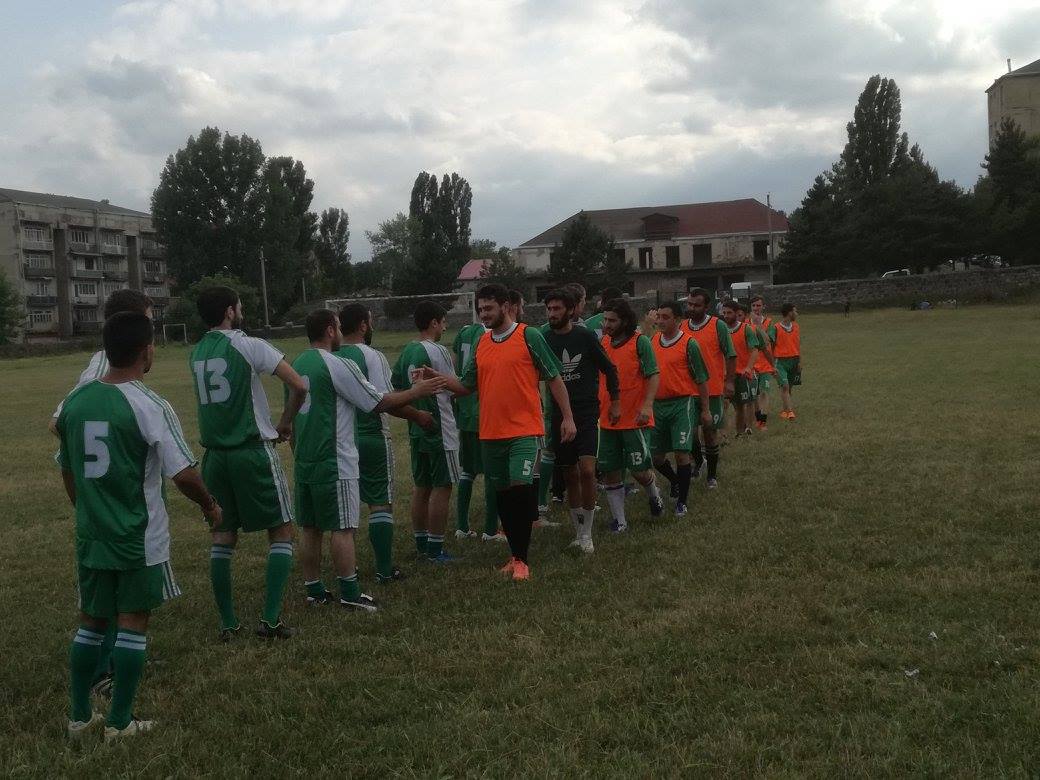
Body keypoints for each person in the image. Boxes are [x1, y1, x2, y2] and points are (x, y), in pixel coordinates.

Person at [58, 312, 221, 741]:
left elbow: (67, 468)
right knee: (133, 621)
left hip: (92, 534)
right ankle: (119, 722)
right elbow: (184, 474)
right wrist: (209, 504)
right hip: (137, 535)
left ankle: (79, 717)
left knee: (90, 621)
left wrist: (86, 509)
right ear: (147, 351)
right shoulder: (149, 404)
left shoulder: (76, 401)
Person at [292, 310, 445, 611]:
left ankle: (314, 590)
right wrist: (417, 392)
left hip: (306, 457)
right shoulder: (338, 363)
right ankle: (351, 593)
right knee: (344, 527)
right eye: (336, 326)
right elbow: (378, 401)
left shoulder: (298, 363)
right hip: (336, 457)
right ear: (330, 331)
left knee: (310, 526)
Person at [49, 288, 154, 700]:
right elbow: (60, 420)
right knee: (115, 590)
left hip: (110, 497)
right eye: (149, 318)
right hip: (112, 499)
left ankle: (115, 660)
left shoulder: (113, 365)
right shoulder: (102, 368)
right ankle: (104, 670)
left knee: (115, 590)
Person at [189, 286, 308, 640]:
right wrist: (285, 422)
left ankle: (228, 624)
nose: (240, 310)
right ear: (229, 311)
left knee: (222, 537)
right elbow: (299, 386)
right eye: (238, 306)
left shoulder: (196, 351)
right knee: (281, 530)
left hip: (214, 457)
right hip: (251, 451)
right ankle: (270, 620)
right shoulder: (249, 344)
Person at [434, 283, 576, 581]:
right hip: (490, 433)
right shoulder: (482, 342)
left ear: (505, 307)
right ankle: (514, 555)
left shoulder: (528, 335)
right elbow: (467, 385)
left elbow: (553, 377)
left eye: (488, 308)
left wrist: (567, 417)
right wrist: (439, 380)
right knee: (502, 495)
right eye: (480, 309)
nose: (483, 314)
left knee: (520, 488)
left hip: (524, 430)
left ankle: (522, 561)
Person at [336, 303, 435, 582]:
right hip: (372, 437)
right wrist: (418, 413)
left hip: (341, 440)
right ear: (363, 326)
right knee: (380, 503)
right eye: (370, 321)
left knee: (346, 509)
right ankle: (384, 568)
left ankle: (348, 568)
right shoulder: (372, 355)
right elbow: (386, 401)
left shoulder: (332, 356)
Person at [542, 288, 619, 552]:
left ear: (571, 310)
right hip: (559, 416)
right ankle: (578, 531)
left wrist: (615, 401)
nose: (552, 314)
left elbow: (609, 368)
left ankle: (587, 534)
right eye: (549, 309)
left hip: (587, 412)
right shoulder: (544, 339)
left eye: (557, 309)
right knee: (569, 474)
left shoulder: (584, 336)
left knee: (587, 471)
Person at [391, 301, 461, 564]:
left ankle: (421, 544)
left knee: (422, 486)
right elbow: (454, 386)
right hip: (439, 428)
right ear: (434, 322)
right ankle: (435, 549)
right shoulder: (437, 350)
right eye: (443, 322)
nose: (444, 327)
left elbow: (398, 388)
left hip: (417, 428)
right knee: (442, 487)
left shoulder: (408, 350)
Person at [598, 297, 663, 532]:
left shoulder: (640, 342)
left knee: (639, 471)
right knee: (610, 471)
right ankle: (620, 521)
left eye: (612, 320)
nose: (607, 324)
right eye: (605, 319)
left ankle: (654, 494)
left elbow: (653, 375)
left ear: (625, 321)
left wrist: (647, 406)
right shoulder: (604, 342)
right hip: (608, 419)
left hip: (634, 419)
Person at [650, 301, 711, 517]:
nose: (660, 321)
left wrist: (705, 409)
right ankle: (675, 481)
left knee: (681, 454)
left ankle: (682, 503)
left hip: (681, 404)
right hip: (657, 406)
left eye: (665, 317)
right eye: (658, 317)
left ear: (677, 319)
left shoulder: (689, 344)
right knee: (656, 458)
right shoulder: (653, 341)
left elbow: (701, 379)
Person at [451, 313, 503, 542]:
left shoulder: (464, 331)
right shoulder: (489, 335)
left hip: (465, 410)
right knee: (492, 473)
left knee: (468, 470)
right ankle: (490, 530)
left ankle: (462, 527)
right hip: (483, 411)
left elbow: (455, 366)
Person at [682, 288, 736, 489]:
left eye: (696, 305)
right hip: (687, 391)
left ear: (706, 307)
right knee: (689, 433)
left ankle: (711, 476)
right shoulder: (682, 326)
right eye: (689, 304)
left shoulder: (717, 325)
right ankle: (699, 461)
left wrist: (729, 382)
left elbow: (730, 355)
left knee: (710, 432)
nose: (692, 308)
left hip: (711, 390)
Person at [721, 300, 762, 437]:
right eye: (724, 313)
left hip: (741, 374)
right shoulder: (720, 329)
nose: (726, 315)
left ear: (736, 313)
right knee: (723, 404)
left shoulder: (746, 329)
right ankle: (723, 434)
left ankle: (741, 432)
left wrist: (748, 368)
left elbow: (754, 350)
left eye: (729, 313)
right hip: (724, 375)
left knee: (740, 406)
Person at [747, 295, 776, 431]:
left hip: (765, 364)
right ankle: (757, 417)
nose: (756, 308)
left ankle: (763, 422)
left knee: (764, 392)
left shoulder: (769, 322)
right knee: (754, 395)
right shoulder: (746, 322)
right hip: (751, 364)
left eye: (758, 305)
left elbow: (768, 340)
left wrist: (758, 325)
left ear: (763, 307)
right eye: (753, 306)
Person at [769, 303, 802, 420]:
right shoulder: (776, 328)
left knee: (789, 387)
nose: (796, 314)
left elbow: (798, 345)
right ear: (789, 313)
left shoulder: (796, 327)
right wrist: (772, 364)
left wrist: (799, 361)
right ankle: (790, 412)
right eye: (795, 311)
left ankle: (784, 410)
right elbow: (770, 346)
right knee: (785, 386)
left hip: (794, 360)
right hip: (780, 362)